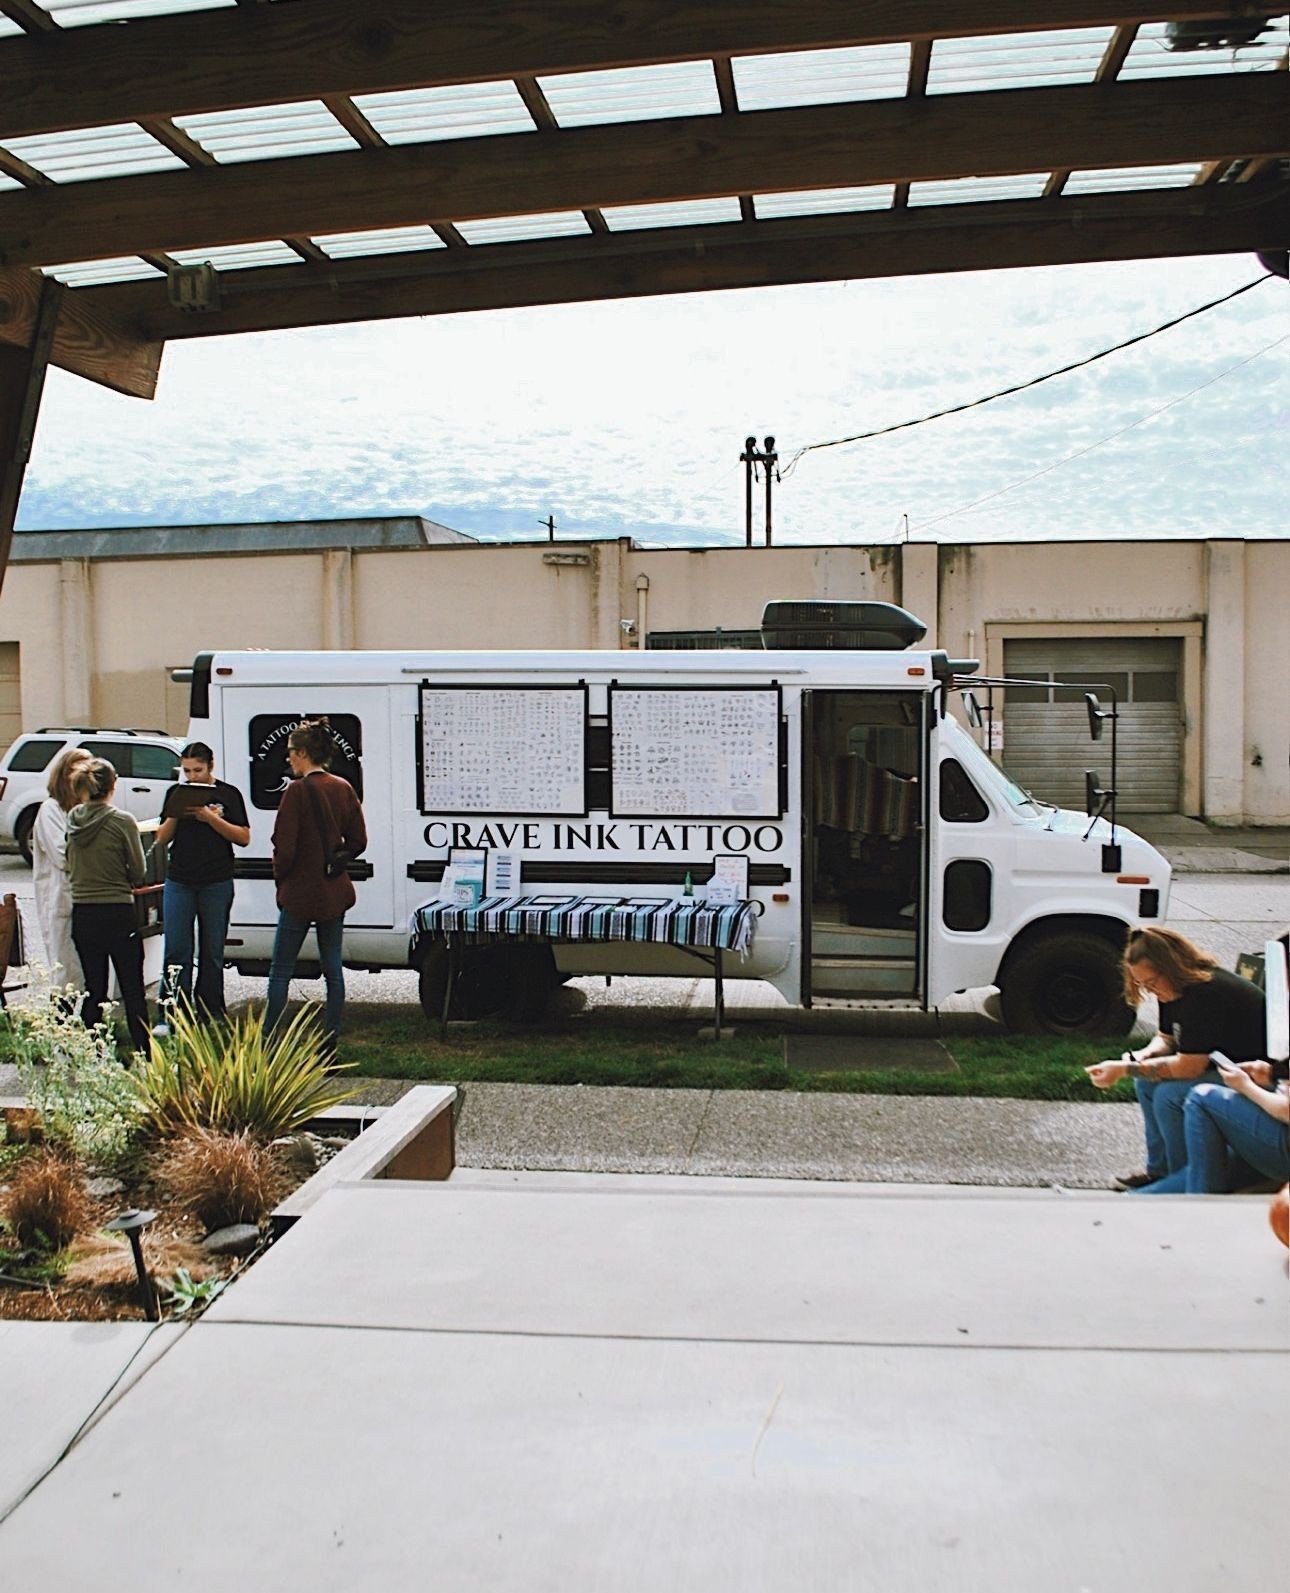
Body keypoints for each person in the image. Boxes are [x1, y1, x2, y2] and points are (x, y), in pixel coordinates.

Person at [1085, 926, 1266, 1189]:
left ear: (1169, 967)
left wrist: (1124, 1069)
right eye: (1142, 984)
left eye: (1151, 983)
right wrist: (1142, 1056)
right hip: (1220, 1069)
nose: (1149, 990)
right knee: (1146, 1082)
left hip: (1254, 1076)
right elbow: (1166, 1036)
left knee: (1169, 1096)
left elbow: (1188, 1068)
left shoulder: (1206, 992)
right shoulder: (1172, 987)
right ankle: (1161, 1170)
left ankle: (1183, 1177)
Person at [263, 721, 366, 1054]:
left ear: (304, 753)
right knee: (332, 968)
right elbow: (359, 840)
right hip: (332, 890)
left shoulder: (296, 791)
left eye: (291, 752)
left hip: (299, 892)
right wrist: (337, 859)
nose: (288, 759)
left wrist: (282, 880)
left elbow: (285, 846)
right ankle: (329, 1040)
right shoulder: (342, 787)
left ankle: (268, 1041)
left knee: (281, 970)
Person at [154, 741, 250, 1029]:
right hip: (180, 879)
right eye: (187, 771)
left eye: (198, 770)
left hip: (216, 880)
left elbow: (243, 837)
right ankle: (172, 1012)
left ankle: (211, 1010)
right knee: (177, 949)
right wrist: (176, 810)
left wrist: (210, 818)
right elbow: (161, 837)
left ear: (211, 767)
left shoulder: (228, 794)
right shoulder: (176, 792)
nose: (192, 776)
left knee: (212, 950)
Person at [65, 758, 151, 1054]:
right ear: (113, 786)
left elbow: (68, 863)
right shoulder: (121, 820)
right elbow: (138, 871)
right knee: (132, 987)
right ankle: (143, 1052)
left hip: (83, 911)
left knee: (94, 987)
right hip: (116, 910)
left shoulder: (73, 819)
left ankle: (92, 1050)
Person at [30, 747, 92, 993]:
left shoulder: (88, 808)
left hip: (88, 898)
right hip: (61, 897)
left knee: (88, 969)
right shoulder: (51, 810)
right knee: (65, 968)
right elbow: (62, 855)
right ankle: (61, 1022)